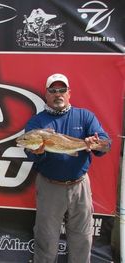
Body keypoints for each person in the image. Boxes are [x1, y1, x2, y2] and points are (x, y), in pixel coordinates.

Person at [24, 73, 111, 263]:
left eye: (62, 90)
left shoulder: (85, 116)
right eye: (53, 90)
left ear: (69, 93)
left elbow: (106, 145)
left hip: (80, 186)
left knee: (82, 237)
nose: (58, 94)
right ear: (46, 95)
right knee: (46, 237)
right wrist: (37, 152)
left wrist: (95, 143)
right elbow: (29, 153)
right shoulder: (37, 123)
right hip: (49, 186)